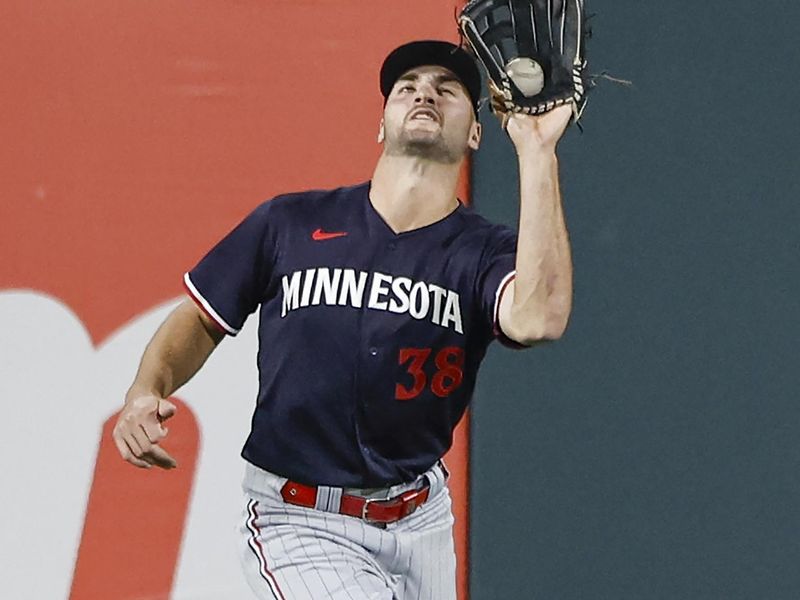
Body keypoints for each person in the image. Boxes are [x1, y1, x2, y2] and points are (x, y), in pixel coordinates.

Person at [112, 40, 573, 600]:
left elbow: (539, 318)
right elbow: (202, 317)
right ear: (381, 125)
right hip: (299, 518)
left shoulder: (484, 251)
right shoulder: (291, 222)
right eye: (406, 88)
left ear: (476, 133)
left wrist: (537, 152)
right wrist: (146, 388)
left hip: (420, 519)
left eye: (447, 89)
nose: (425, 92)